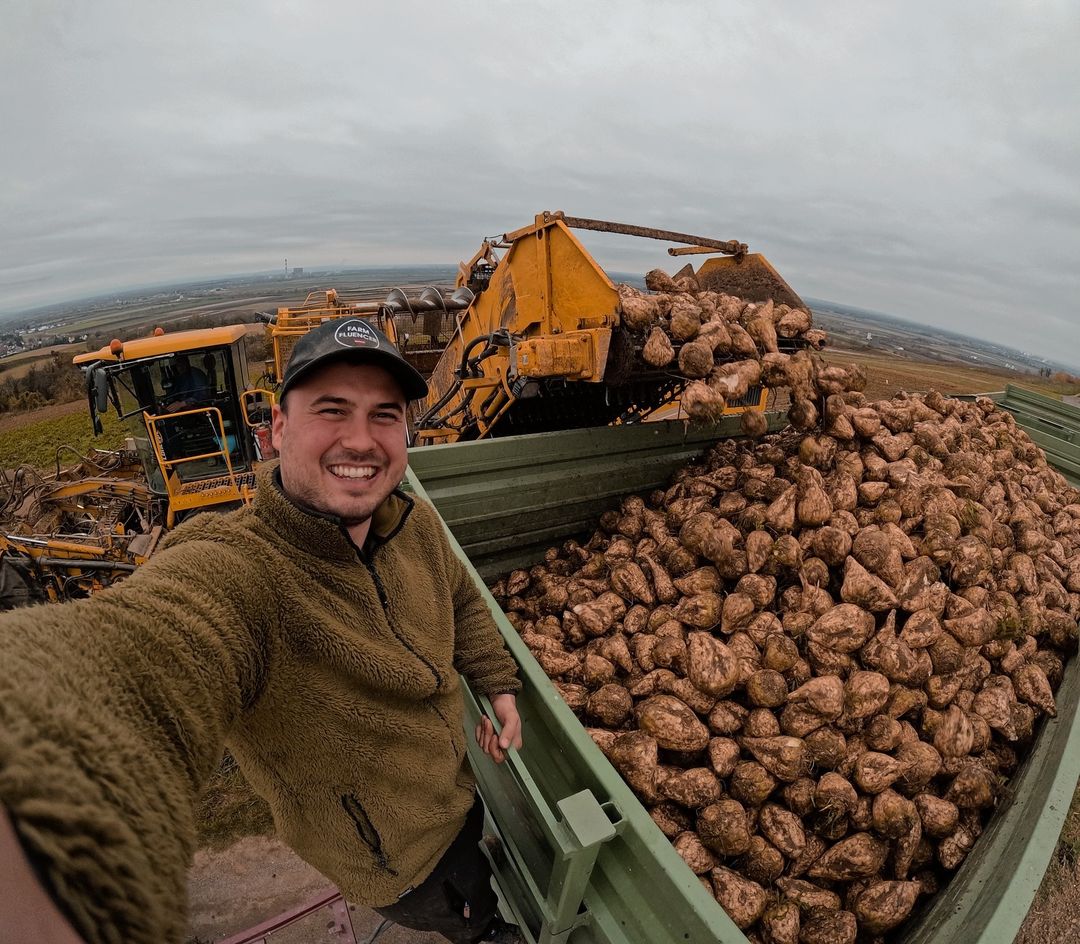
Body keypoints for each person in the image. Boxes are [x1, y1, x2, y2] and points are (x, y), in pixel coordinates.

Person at [0, 317, 525, 944]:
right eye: (331, 410)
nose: (362, 440)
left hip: (460, 792)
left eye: (385, 415)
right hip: (400, 865)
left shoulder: (412, 521)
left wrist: (496, 685)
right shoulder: (243, 570)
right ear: (276, 429)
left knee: (482, 871)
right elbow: (140, 658)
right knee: (472, 917)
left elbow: (463, 598)